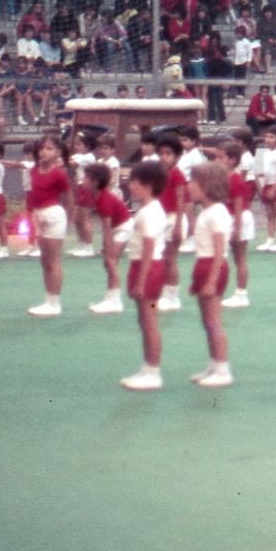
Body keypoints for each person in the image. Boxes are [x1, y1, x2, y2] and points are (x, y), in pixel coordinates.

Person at [120, 160, 169, 391]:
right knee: (144, 321)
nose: (131, 186)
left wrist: (141, 281)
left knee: (149, 322)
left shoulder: (149, 213)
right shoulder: (149, 209)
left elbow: (149, 247)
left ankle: (153, 371)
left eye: (135, 183)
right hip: (143, 266)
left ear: (148, 186)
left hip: (147, 269)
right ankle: (148, 367)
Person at [187, 163, 234, 388]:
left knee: (214, 321)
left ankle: (223, 368)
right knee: (207, 321)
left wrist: (212, 280)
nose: (189, 186)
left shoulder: (217, 212)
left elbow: (219, 251)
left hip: (214, 266)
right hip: (203, 264)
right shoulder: (206, 211)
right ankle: (214, 363)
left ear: (207, 186)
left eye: (193, 182)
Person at [25, 133, 70, 317]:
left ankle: (55, 302)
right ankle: (48, 300)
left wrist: (68, 218)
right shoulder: (34, 170)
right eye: (42, 148)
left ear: (58, 152)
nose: (44, 151)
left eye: (49, 148)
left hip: (54, 215)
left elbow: (69, 197)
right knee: (44, 261)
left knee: (53, 260)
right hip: (39, 215)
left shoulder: (59, 173)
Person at [85, 161, 132, 315]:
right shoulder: (96, 195)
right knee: (110, 263)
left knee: (111, 262)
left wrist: (107, 247)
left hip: (123, 228)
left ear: (95, 181)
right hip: (116, 228)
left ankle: (115, 301)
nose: (83, 180)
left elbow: (106, 226)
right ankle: (110, 298)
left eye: (86, 177)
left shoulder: (104, 199)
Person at [153, 135, 189, 312]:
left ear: (177, 156)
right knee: (163, 258)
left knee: (170, 259)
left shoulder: (177, 174)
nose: (163, 157)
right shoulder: (161, 173)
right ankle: (166, 293)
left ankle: (173, 297)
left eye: (168, 154)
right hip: (163, 218)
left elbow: (182, 200)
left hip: (175, 218)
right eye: (161, 153)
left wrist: (179, 225)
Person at [220, 138, 255, 309]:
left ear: (232, 160)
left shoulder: (235, 179)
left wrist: (237, 229)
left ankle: (242, 294)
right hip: (229, 218)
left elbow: (239, 206)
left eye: (221, 158)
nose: (218, 161)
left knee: (240, 257)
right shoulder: (223, 177)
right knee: (231, 257)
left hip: (239, 218)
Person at [253, 125, 276, 252]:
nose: (267, 139)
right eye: (266, 136)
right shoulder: (267, 154)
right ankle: (270, 240)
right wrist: (260, 174)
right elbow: (269, 171)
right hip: (267, 184)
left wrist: (275, 188)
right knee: (269, 214)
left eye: (272, 137)